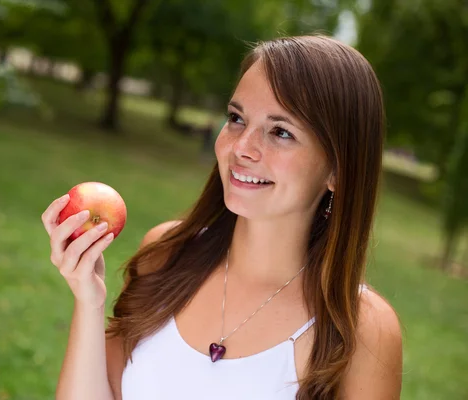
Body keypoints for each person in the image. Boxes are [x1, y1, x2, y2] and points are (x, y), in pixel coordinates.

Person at [41, 35, 403, 400]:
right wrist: (90, 303)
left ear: (338, 171)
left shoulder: (361, 327)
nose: (241, 147)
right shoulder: (166, 255)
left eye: (281, 132)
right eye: (236, 118)